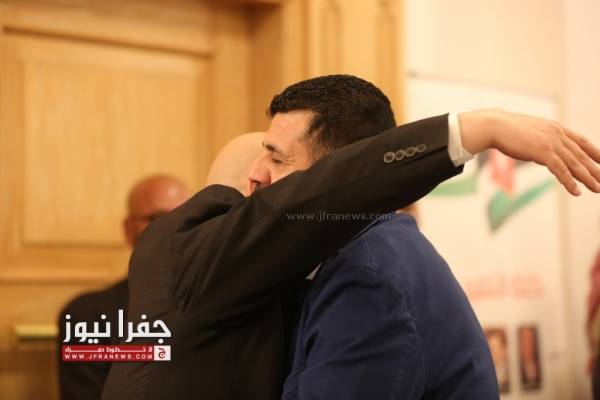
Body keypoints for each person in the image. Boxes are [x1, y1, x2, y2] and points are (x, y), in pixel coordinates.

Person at [103, 74, 600, 400]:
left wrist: (476, 128)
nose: (259, 177)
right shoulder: (199, 253)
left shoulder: (369, 270)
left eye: (277, 158)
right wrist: (477, 128)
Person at [262, 77, 494, 399]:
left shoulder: (367, 278)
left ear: (335, 172)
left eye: (276, 159)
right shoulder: (361, 251)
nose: (257, 175)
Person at [58, 175, 190, 400]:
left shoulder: (217, 306)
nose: (173, 228)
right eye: (158, 218)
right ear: (129, 229)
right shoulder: (88, 318)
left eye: (185, 217)